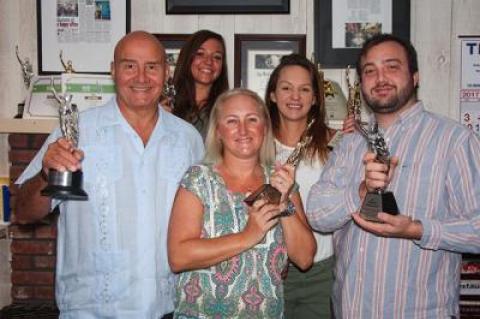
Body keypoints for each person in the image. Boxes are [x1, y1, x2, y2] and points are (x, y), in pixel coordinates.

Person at [14, 31, 204, 318]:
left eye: (152, 67)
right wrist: (45, 175)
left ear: (166, 73)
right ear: (113, 71)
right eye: (129, 65)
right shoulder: (76, 131)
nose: (141, 77)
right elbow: (24, 212)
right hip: (91, 310)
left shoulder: (188, 139)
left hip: (170, 309)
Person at [306, 33, 480, 318]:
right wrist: (360, 191)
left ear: (415, 76)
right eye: (370, 71)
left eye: (392, 66)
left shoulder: (454, 141)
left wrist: (418, 230)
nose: (380, 77)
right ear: (361, 84)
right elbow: (317, 214)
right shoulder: (350, 143)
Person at [167, 88, 316, 318]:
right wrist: (248, 236)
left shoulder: (281, 180)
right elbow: (178, 257)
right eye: (232, 121)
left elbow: (305, 259)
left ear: (264, 128)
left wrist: (284, 202)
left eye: (252, 120)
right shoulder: (198, 179)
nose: (244, 130)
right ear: (218, 131)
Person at [265, 53, 353, 318]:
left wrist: (360, 140)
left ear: (315, 98)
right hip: (265, 269)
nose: (295, 97)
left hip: (321, 272)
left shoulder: (337, 145)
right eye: (286, 88)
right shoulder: (256, 146)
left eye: (304, 89)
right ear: (272, 95)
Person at [170, 29, 229, 139]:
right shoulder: (166, 105)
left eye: (216, 57)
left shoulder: (227, 109)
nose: (208, 62)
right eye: (200, 54)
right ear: (188, 58)